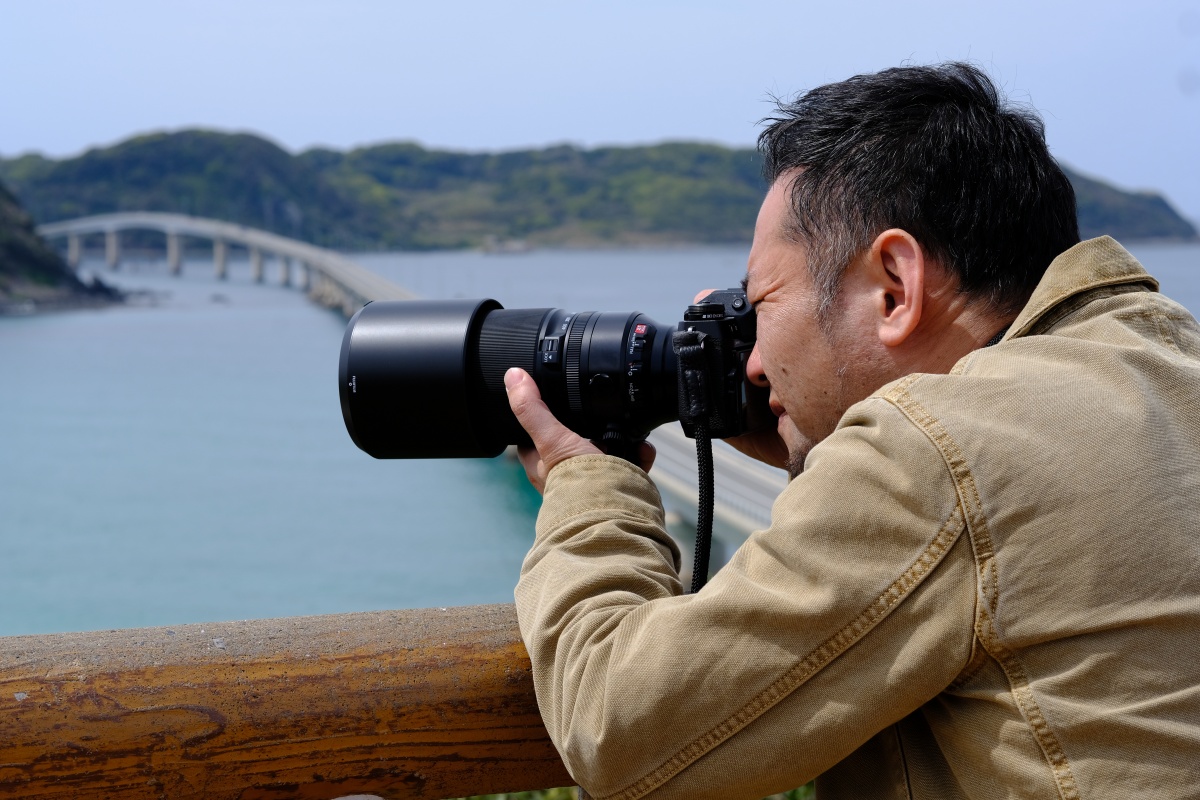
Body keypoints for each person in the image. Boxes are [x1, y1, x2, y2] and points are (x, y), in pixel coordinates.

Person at [504, 62, 1200, 799]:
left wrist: (588, 484)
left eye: (762, 303)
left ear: (895, 288)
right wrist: (827, 454)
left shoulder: (934, 450)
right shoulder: (1161, 362)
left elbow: (619, 730)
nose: (756, 361)